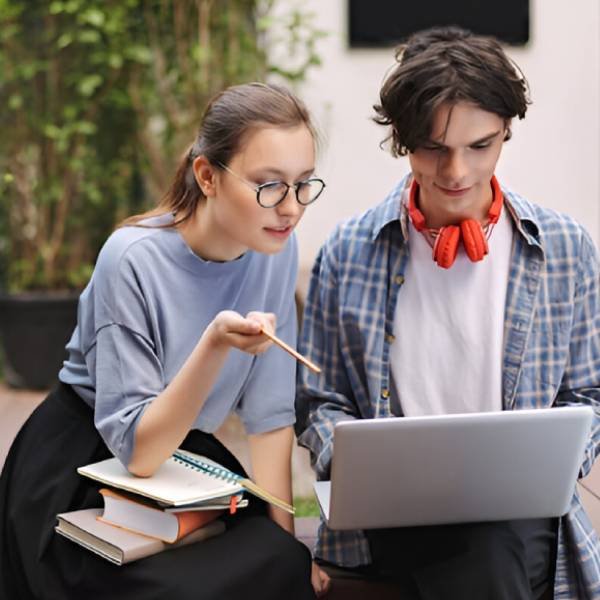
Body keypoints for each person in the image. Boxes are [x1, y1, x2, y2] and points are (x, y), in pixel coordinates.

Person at [296, 27, 600, 600]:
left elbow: (590, 394)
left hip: (520, 515)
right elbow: (318, 399)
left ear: (506, 131)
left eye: (479, 146)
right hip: (394, 513)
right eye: (434, 148)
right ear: (401, 141)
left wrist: (556, 462)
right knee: (480, 558)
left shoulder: (565, 248)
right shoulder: (347, 248)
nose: (456, 172)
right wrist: (358, 460)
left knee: (490, 546)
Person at [0, 82, 331, 599]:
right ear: (207, 176)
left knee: (276, 564)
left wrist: (289, 551)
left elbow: (269, 420)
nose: (290, 209)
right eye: (269, 186)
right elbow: (138, 449)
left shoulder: (276, 250)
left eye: (304, 184)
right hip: (88, 465)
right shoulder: (130, 259)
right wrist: (214, 344)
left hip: (185, 464)